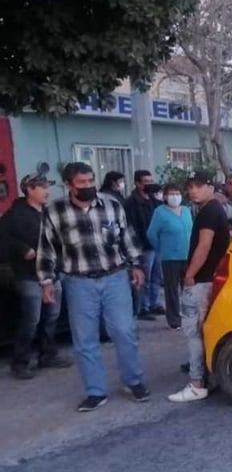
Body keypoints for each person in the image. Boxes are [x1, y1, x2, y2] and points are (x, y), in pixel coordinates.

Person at [36, 162, 149, 411]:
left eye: (90, 181)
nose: (88, 187)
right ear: (68, 185)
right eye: (82, 183)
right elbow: (47, 249)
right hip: (78, 282)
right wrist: (46, 281)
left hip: (115, 277)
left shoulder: (111, 205)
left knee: (124, 331)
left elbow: (127, 237)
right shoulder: (55, 211)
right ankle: (96, 391)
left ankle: (133, 381)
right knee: (85, 339)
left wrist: (137, 266)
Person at [0, 175, 73, 378]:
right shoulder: (15, 215)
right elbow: (3, 240)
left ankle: (48, 354)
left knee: (52, 316)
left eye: (47, 186)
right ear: (30, 189)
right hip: (29, 275)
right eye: (42, 187)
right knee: (31, 319)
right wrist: (23, 249)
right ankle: (20, 362)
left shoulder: (48, 213)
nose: (47, 191)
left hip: (52, 272)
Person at [169, 172, 230, 403]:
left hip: (201, 281)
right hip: (208, 279)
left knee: (193, 332)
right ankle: (207, 378)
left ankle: (196, 383)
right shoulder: (212, 210)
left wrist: (190, 275)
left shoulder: (209, 212)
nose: (192, 191)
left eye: (198, 186)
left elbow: (203, 246)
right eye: (190, 187)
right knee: (203, 330)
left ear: (210, 187)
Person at [146, 182, 193, 331]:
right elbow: (152, 234)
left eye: (177, 193)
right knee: (172, 290)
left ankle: (189, 316)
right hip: (170, 257)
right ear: (165, 196)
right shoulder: (160, 212)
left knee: (188, 289)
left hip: (187, 255)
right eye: (171, 194)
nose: (175, 196)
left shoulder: (186, 210)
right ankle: (174, 319)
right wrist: (162, 248)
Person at [124, 169, 163, 320]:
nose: (149, 185)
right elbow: (132, 227)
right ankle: (144, 307)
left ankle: (155, 303)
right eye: (145, 182)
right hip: (143, 247)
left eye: (150, 181)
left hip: (157, 245)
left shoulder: (154, 200)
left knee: (156, 276)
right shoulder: (131, 202)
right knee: (144, 278)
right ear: (137, 184)